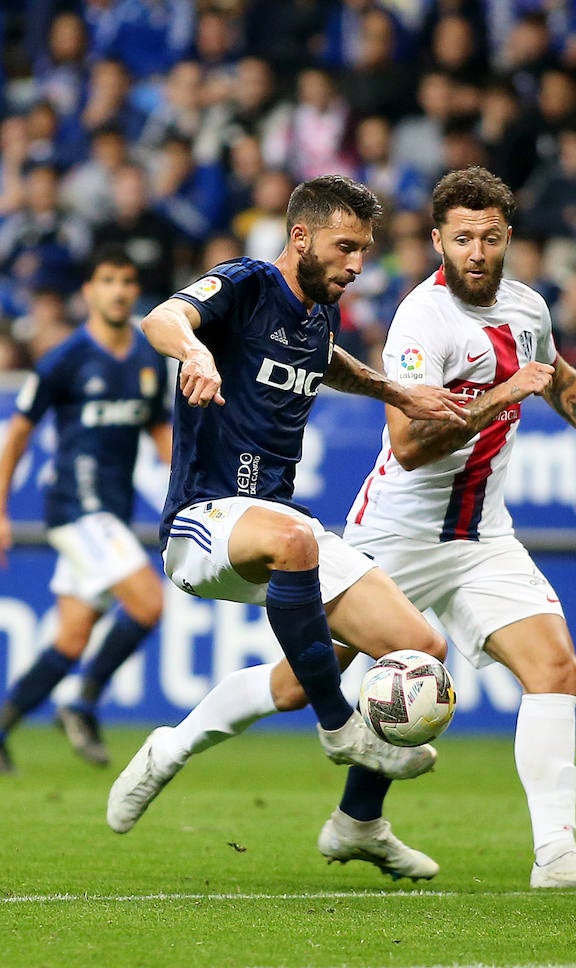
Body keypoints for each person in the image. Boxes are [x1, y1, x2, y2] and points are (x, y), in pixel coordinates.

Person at [106, 175, 469, 881]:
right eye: (345, 247)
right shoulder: (244, 283)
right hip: (202, 523)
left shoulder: (316, 312)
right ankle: (342, 730)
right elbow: (160, 319)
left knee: (420, 646)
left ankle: (347, 817)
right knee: (295, 539)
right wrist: (196, 351)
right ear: (300, 236)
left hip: (273, 523)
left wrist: (396, 390)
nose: (357, 264)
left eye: (363, 250)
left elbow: (326, 362)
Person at [343, 166, 576, 888]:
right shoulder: (421, 319)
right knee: (291, 681)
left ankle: (557, 855)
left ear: (509, 239)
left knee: (556, 667)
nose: (477, 250)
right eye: (463, 237)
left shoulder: (528, 308)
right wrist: (501, 395)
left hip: (479, 536)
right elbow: (406, 447)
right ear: (438, 240)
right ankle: (174, 747)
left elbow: (558, 380)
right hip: (396, 533)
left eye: (491, 237)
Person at [0, 245, 172, 775]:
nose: (120, 290)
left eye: (127, 281)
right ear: (89, 292)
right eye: (108, 279)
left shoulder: (148, 359)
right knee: (149, 604)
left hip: (112, 511)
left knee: (72, 635)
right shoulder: (64, 358)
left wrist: (190, 485)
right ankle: (82, 702)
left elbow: (159, 432)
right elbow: (18, 431)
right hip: (76, 508)